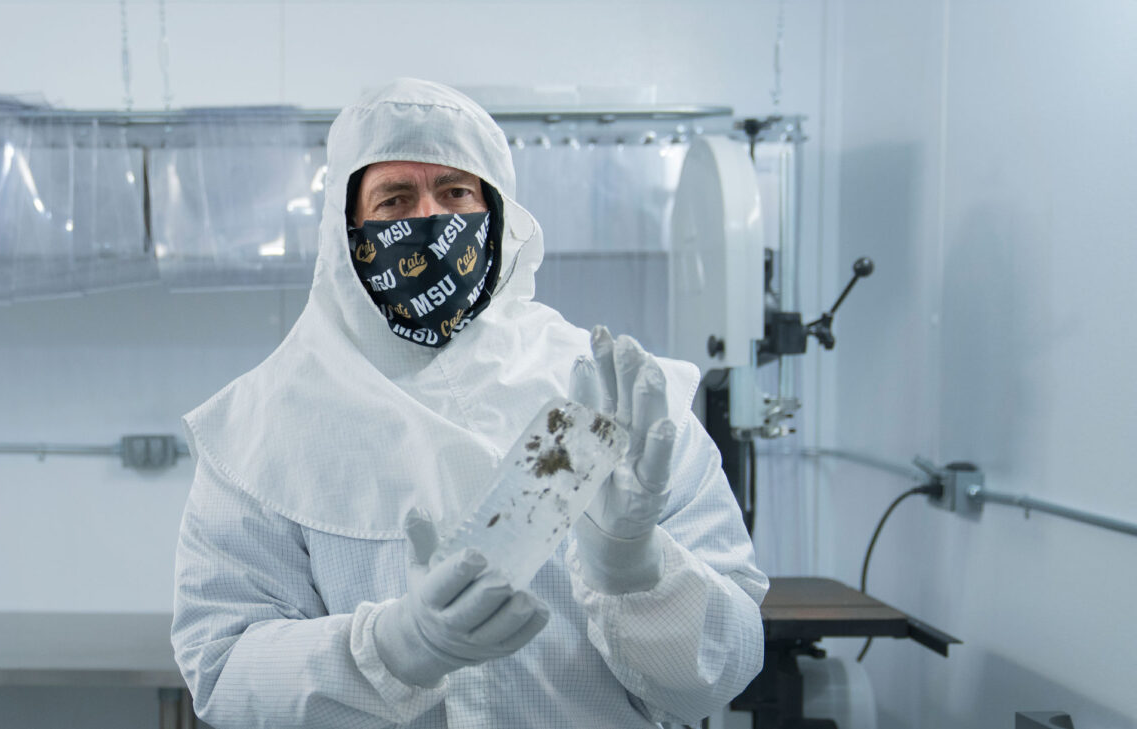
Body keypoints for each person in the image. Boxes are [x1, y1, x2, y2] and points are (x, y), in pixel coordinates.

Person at [171, 78, 767, 728]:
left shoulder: (611, 395)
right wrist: (395, 647)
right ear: (346, 230)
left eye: (456, 191)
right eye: (395, 198)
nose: (431, 220)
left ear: (498, 211)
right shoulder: (264, 427)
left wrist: (635, 564)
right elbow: (224, 674)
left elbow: (725, 669)